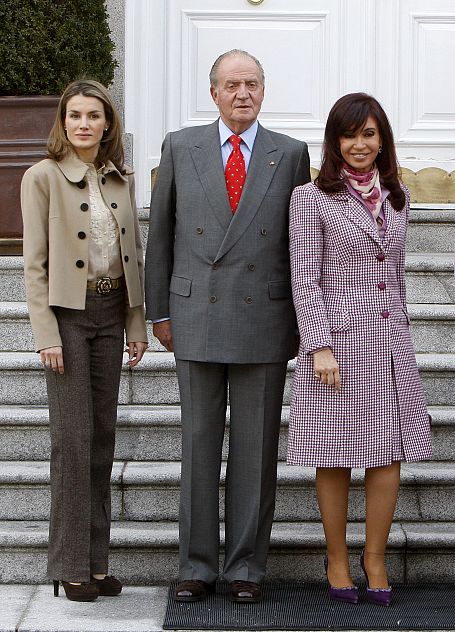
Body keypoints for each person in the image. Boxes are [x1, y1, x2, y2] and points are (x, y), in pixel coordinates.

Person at [145, 49, 310, 604]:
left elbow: (298, 244)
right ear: (213, 92)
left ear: (264, 90)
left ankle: (245, 569)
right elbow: (161, 234)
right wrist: (159, 311)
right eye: (232, 85)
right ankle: (195, 565)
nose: (243, 94)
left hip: (264, 316)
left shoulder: (290, 153)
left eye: (252, 84)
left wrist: (301, 319)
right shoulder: (180, 145)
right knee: (198, 446)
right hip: (195, 314)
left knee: (256, 452)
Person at [287, 93, 431, 606]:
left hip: (390, 341)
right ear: (334, 141)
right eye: (349, 135)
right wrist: (318, 345)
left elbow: (395, 274)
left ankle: (375, 557)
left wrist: (402, 332)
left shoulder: (398, 195)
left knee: (387, 451)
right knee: (333, 452)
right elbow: (305, 278)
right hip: (338, 345)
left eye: (369, 134)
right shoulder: (310, 198)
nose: (359, 144)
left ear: (382, 139)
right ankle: (337, 559)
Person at [21, 79, 148, 602]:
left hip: (111, 313)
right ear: (63, 121)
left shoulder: (121, 178)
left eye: (94, 115)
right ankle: (69, 566)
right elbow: (34, 264)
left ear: (107, 123)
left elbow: (132, 255)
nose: (83, 124)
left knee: (101, 442)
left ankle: (96, 564)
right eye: (74, 115)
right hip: (68, 319)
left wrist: (136, 324)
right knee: (71, 443)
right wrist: (45, 335)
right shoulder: (42, 177)